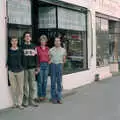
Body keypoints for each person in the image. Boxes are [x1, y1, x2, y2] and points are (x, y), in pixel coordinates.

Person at [7, 37, 24, 109]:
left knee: (20, 88)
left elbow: (23, 59)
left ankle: (19, 104)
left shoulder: (20, 50)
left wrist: (22, 67)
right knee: (13, 88)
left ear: (17, 42)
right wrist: (9, 68)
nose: (14, 42)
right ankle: (15, 103)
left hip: (20, 71)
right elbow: (7, 59)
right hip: (11, 71)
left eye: (15, 41)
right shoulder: (8, 50)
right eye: (13, 41)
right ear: (11, 42)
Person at [22, 32, 38, 107]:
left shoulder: (34, 46)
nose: (27, 37)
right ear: (24, 38)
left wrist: (37, 67)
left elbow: (36, 58)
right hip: (24, 69)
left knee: (32, 86)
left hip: (32, 68)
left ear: (30, 38)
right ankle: (25, 101)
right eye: (26, 36)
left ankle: (32, 100)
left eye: (29, 36)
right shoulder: (21, 47)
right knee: (25, 86)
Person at [49, 37, 66, 104]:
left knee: (59, 82)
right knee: (53, 82)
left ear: (60, 42)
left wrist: (61, 64)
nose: (57, 42)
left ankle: (59, 98)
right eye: (55, 41)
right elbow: (49, 59)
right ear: (54, 42)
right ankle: (53, 98)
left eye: (58, 41)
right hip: (53, 65)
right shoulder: (51, 50)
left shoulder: (63, 50)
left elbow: (64, 59)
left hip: (59, 65)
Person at [36, 35, 49, 102]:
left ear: (46, 41)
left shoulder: (47, 48)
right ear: (40, 41)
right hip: (40, 65)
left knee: (45, 81)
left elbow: (50, 57)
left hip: (46, 65)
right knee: (40, 81)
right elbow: (36, 58)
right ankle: (40, 96)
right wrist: (37, 67)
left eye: (44, 40)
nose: (43, 41)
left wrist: (49, 62)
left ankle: (44, 95)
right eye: (42, 40)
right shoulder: (37, 48)